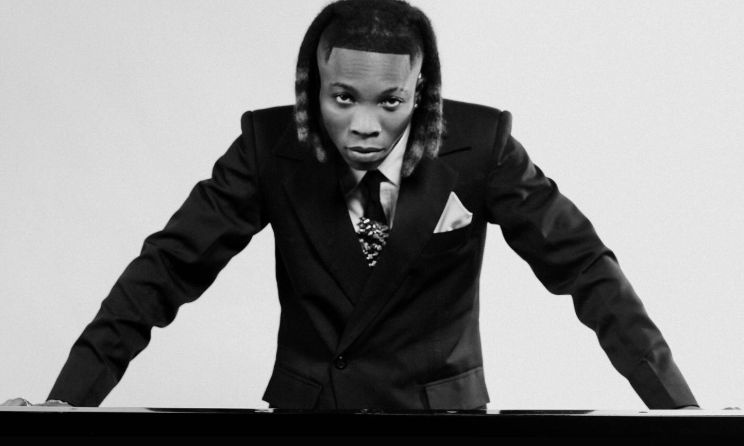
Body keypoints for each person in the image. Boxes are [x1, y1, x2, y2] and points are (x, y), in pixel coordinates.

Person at [4, 0, 698, 410]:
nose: (365, 126)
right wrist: (65, 404)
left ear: (421, 91)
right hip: (310, 413)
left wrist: (680, 414)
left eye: (390, 102)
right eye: (343, 99)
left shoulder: (481, 144)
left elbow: (586, 268)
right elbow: (166, 270)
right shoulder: (268, 146)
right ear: (313, 88)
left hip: (441, 418)